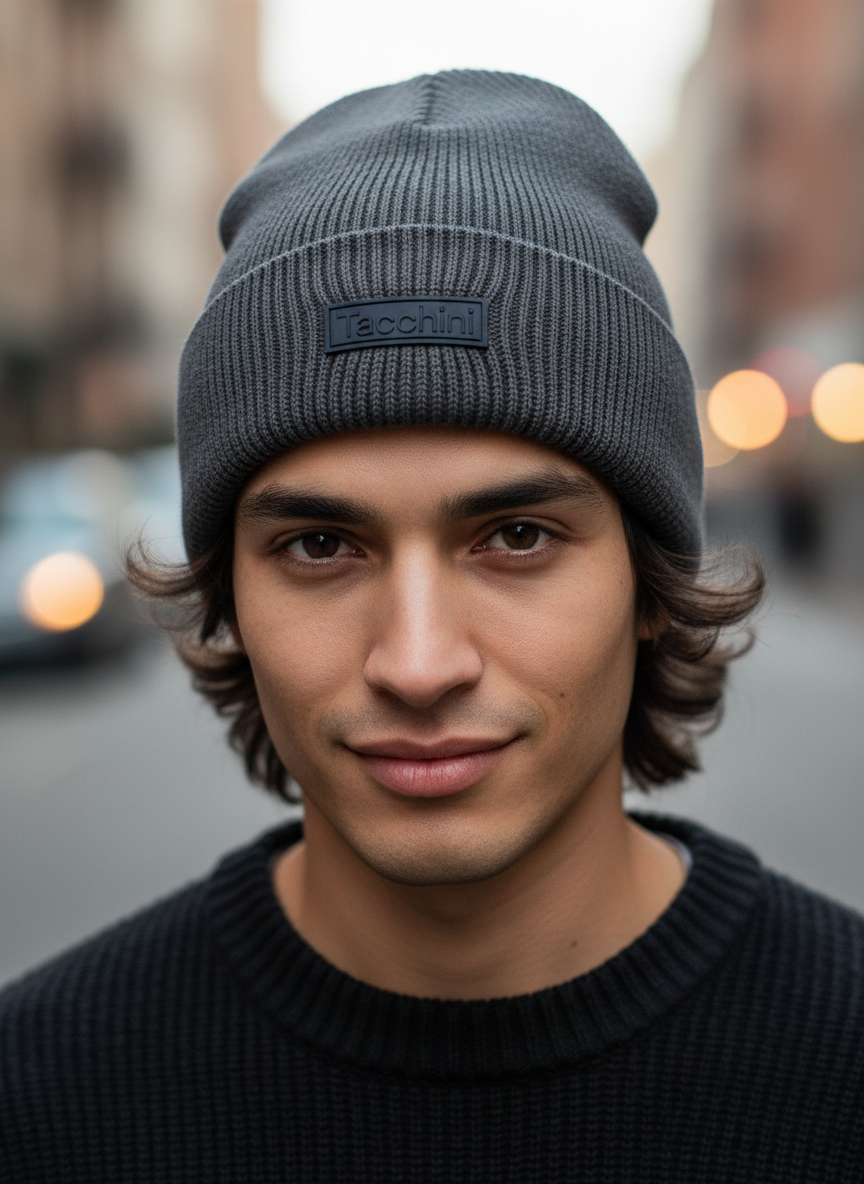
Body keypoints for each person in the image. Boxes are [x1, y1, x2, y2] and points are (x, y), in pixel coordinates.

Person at [1, 70, 862, 1183]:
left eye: (515, 537)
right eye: (320, 546)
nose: (417, 661)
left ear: (652, 582)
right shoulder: (37, 1099)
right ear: (230, 597)